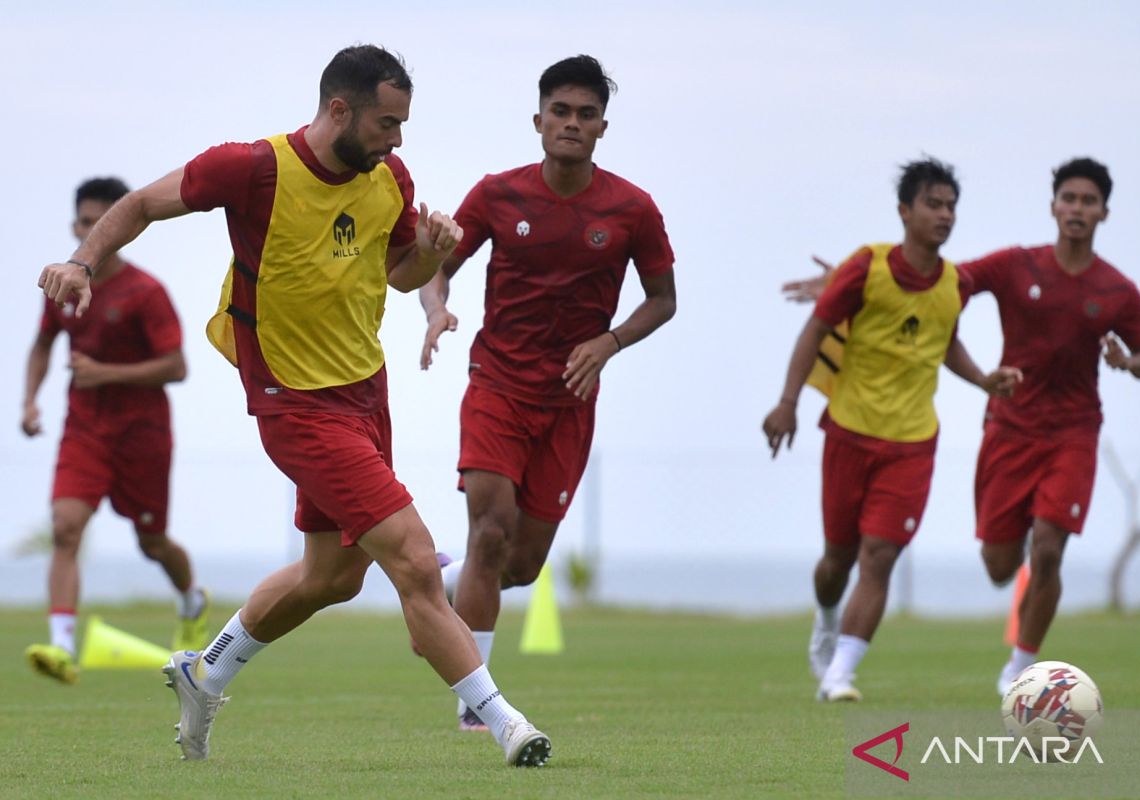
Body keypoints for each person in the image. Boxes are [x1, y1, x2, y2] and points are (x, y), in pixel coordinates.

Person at [38, 45, 551, 768]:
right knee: (413, 558)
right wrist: (81, 262)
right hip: (294, 404)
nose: (397, 141)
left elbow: (403, 275)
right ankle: (505, 724)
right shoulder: (253, 168)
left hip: (367, 394)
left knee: (331, 578)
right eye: (385, 123)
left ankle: (206, 669)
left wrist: (434, 253)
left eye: (402, 126)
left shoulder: (389, 177)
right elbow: (141, 204)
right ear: (338, 109)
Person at [783, 157, 1140, 696]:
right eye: (1069, 199)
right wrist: (845, 281)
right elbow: (935, 280)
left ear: (1104, 212)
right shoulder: (1014, 266)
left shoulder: (1117, 289)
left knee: (1049, 548)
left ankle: (1017, 671)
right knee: (997, 565)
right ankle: (835, 628)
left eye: (1089, 201)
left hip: (1074, 432)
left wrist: (1129, 362)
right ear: (1053, 206)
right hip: (1008, 430)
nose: (1078, 209)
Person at [418, 55, 676, 730]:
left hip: (568, 403)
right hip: (497, 386)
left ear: (602, 127)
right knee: (490, 529)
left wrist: (610, 342)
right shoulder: (498, 195)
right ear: (538, 121)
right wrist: (435, 309)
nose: (571, 123)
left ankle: (450, 585)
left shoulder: (632, 208)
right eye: (560, 111)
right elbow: (433, 268)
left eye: (585, 114)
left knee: (520, 566)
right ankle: (478, 707)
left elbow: (664, 300)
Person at [761, 158, 1020, 702]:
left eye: (951, 206)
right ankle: (827, 620)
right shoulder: (867, 268)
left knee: (880, 557)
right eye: (933, 203)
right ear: (905, 211)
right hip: (850, 433)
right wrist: (788, 403)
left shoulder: (954, 282)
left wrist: (982, 380)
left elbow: (943, 337)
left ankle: (840, 676)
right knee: (838, 560)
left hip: (912, 442)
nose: (945, 215)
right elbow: (817, 329)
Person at [23, 177, 208, 685]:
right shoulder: (63, 284)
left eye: (101, 223)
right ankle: (62, 648)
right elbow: (42, 344)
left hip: (142, 434)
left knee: (152, 542)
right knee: (65, 529)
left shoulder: (146, 293)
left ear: (120, 232)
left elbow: (176, 367)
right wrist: (30, 401)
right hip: (84, 430)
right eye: (84, 223)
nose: (90, 231)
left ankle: (191, 599)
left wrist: (106, 374)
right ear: (74, 225)